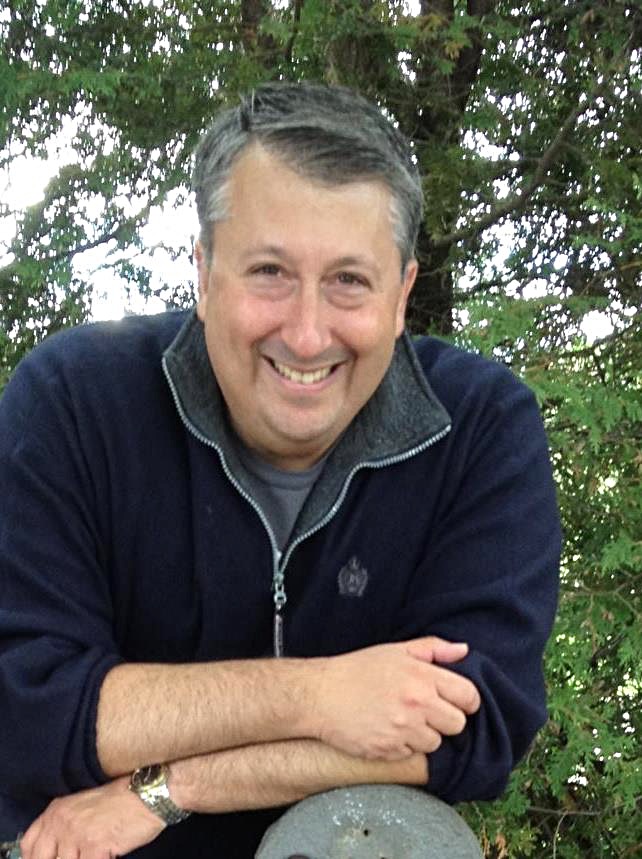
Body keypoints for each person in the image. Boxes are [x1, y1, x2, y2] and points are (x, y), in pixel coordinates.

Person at [0, 82, 561, 858]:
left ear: (402, 295)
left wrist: (169, 788)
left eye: (349, 280)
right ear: (203, 274)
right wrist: (322, 695)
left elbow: (475, 731)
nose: (305, 333)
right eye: (269, 270)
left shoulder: (482, 427)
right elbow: (25, 709)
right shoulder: (71, 401)